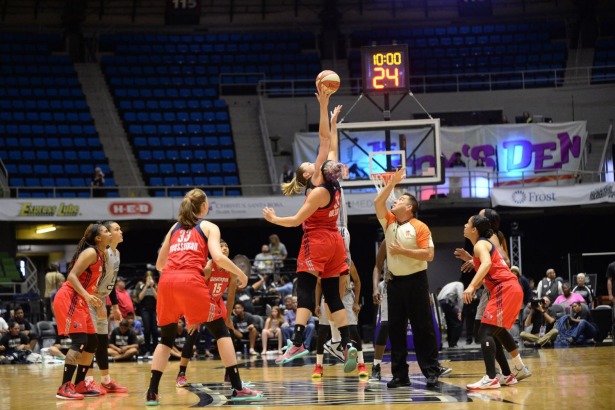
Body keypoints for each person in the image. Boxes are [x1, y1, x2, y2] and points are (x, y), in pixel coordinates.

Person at [263, 88, 357, 372]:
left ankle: (298, 340)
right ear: (308, 174)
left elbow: (293, 223)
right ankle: (347, 343)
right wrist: (330, 117)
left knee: (304, 286)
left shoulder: (318, 185)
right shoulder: (332, 181)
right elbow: (328, 142)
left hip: (316, 240)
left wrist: (273, 219)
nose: (316, 160)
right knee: (332, 295)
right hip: (336, 242)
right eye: (310, 163)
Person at [146, 188, 262, 405]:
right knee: (221, 331)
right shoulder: (208, 226)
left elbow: (160, 264)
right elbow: (217, 256)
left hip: (167, 282)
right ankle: (238, 388)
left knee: (166, 340)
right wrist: (240, 273)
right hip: (190, 280)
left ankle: (152, 392)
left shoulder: (175, 228)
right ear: (204, 206)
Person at [373, 167, 448, 388]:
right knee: (395, 329)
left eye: (400, 200)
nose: (394, 202)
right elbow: (379, 202)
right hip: (394, 283)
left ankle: (431, 372)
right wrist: (391, 183)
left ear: (410, 207)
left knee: (422, 328)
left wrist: (403, 251)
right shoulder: (389, 222)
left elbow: (430, 254)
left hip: (416, 281)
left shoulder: (420, 227)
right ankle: (399, 375)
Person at [462, 214, 524, 390]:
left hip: (505, 289)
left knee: (484, 332)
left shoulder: (481, 244)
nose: (464, 226)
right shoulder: (480, 245)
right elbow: (490, 269)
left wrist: (471, 287)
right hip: (507, 288)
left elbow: (487, 263)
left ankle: (491, 378)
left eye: (467, 223)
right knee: (492, 331)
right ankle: (507, 375)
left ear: (474, 229)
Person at [53, 222, 112, 400]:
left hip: (81, 299)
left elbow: (92, 284)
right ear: (98, 238)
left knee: (92, 342)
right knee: (79, 341)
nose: (109, 233)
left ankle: (79, 384)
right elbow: (71, 276)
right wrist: (87, 296)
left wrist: (99, 304)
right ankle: (64, 387)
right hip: (69, 297)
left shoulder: (102, 255)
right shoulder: (91, 252)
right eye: (106, 231)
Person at [175, 238, 240, 388]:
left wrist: (228, 317)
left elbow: (230, 295)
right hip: (199, 301)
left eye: (226, 246)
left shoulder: (231, 269)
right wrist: (194, 316)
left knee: (226, 334)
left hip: (216, 302)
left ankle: (229, 372)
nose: (224, 249)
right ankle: (181, 374)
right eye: (221, 246)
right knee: (192, 333)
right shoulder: (209, 267)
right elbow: (195, 291)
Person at [84, 220, 127, 394]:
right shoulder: (102, 254)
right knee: (91, 342)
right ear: (106, 234)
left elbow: (111, 281)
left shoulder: (116, 253)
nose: (120, 231)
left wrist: (114, 306)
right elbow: (94, 279)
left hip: (101, 299)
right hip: (89, 298)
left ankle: (106, 381)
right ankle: (87, 381)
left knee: (102, 342)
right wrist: (98, 302)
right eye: (116, 229)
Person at [369, 240, 389, 381]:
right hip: (391, 286)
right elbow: (378, 266)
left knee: (422, 326)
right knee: (385, 326)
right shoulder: (387, 241)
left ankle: (432, 365)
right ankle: (376, 366)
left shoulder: (415, 234)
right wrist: (376, 288)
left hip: (412, 286)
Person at [136, 270, 159, 355]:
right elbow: (140, 297)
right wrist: (146, 286)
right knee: (147, 330)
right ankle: (147, 349)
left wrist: (152, 287)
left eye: (150, 277)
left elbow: (158, 298)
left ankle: (155, 349)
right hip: (145, 310)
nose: (149, 278)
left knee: (155, 331)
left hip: (154, 310)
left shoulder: (156, 285)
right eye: (147, 276)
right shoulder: (141, 285)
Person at [437, 281, 464, 348]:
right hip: (447, 302)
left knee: (450, 323)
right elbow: (461, 298)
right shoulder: (460, 285)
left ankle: (450, 343)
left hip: (441, 302)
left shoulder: (450, 285)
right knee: (457, 323)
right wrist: (460, 311)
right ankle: (453, 344)